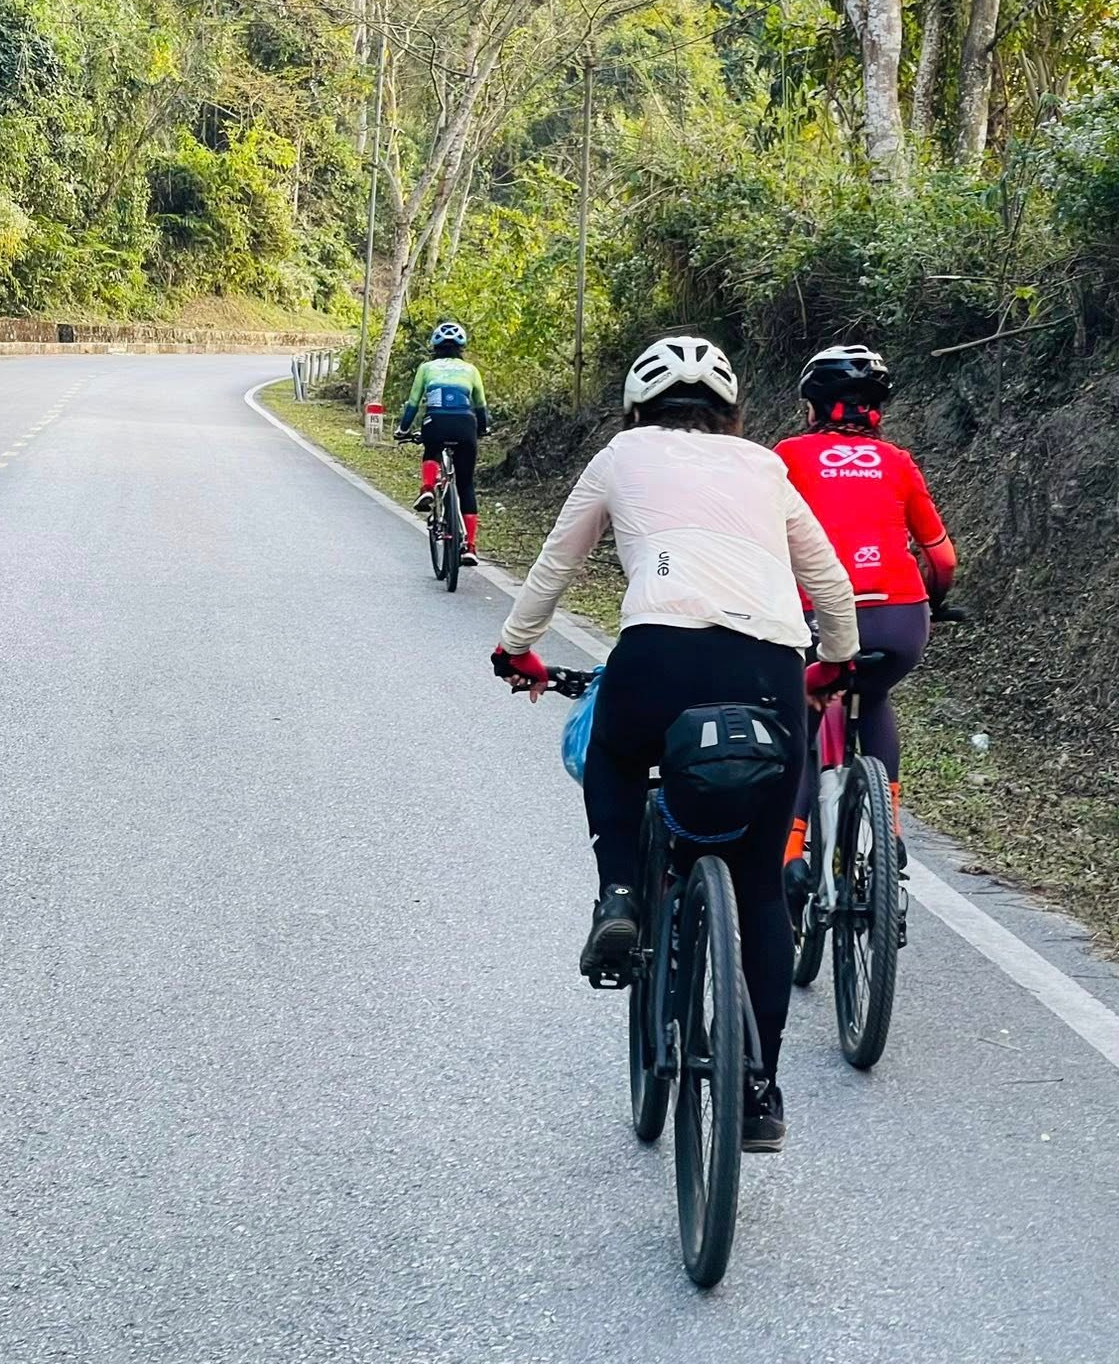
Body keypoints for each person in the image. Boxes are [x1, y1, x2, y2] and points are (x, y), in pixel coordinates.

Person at [491, 335, 858, 1153]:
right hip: (769, 666)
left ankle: (621, 895)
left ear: (636, 407)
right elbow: (829, 579)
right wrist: (831, 663)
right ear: (731, 412)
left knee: (617, 756)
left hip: (658, 656)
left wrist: (517, 644)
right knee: (761, 887)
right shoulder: (765, 467)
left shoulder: (621, 454)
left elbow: (556, 561)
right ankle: (758, 1094)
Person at [775, 344, 957, 892]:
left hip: (813, 618)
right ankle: (890, 831)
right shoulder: (899, 462)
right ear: (874, 411)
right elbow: (942, 559)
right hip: (899, 620)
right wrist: (936, 600)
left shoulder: (787, 456)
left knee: (803, 717)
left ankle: (789, 853)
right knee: (872, 697)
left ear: (814, 407)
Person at [397, 320, 488, 564]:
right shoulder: (471, 370)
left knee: (432, 449)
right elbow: (481, 407)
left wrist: (402, 429)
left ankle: (427, 489)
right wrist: (484, 429)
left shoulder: (426, 368)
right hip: (466, 425)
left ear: (435, 346)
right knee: (466, 485)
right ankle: (469, 546)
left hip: (435, 422)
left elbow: (413, 404)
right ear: (461, 347)